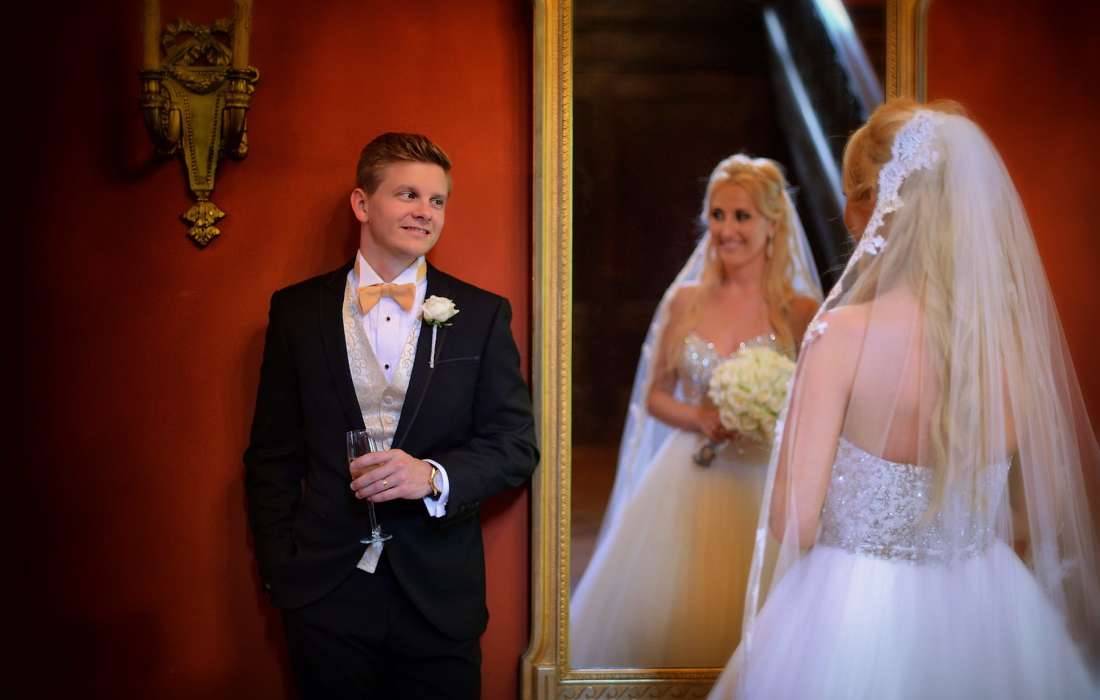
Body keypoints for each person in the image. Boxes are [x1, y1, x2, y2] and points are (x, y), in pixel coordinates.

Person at [709, 100, 1100, 698]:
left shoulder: (839, 337)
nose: (846, 213)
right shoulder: (1008, 344)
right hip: (989, 606)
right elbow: (1029, 511)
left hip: (852, 609)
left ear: (874, 206)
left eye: (851, 195)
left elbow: (795, 520)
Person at [243, 132, 538, 700]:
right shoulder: (297, 311)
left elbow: (515, 445)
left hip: (438, 597)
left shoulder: (481, 314)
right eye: (408, 195)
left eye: (437, 200)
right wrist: (283, 571)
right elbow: (271, 457)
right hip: (324, 595)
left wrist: (432, 476)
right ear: (362, 203)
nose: (425, 212)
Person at [570, 155, 820, 668]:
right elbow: (655, 396)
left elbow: (816, 408)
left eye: (742, 216)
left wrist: (766, 418)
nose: (726, 230)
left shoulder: (800, 312)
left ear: (773, 224)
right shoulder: (685, 301)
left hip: (762, 482)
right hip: (687, 473)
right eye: (717, 215)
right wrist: (700, 418)